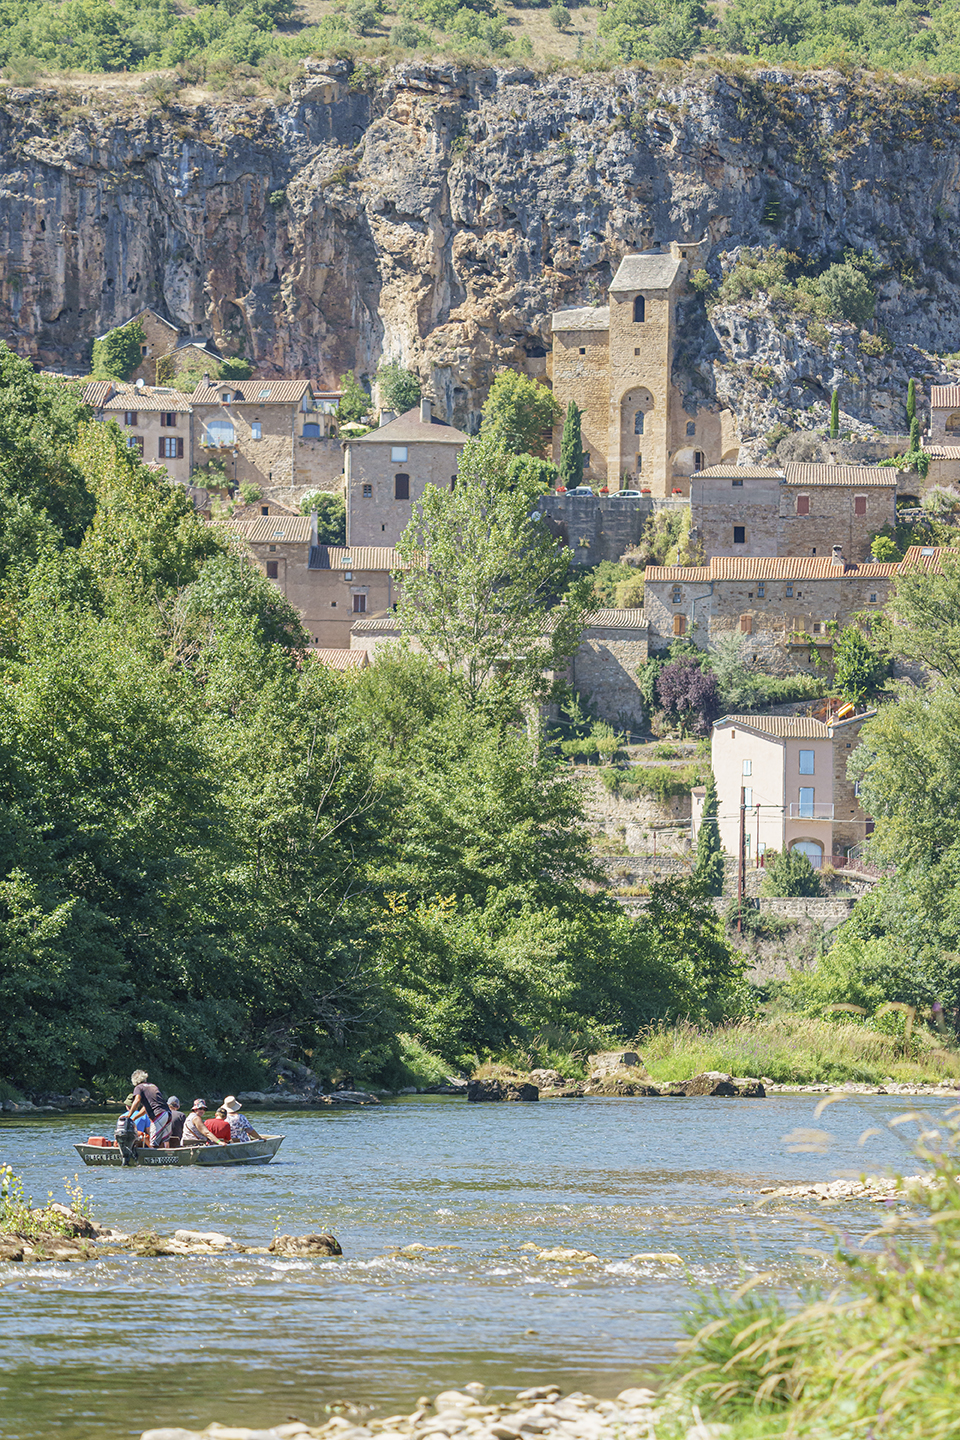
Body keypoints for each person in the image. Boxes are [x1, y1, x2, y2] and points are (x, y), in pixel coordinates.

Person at [126, 1070, 172, 1148]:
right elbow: (146, 1108)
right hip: (167, 1113)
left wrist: (129, 1115)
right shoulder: (152, 1086)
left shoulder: (138, 1087)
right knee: (164, 1139)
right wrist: (134, 1118)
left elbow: (137, 1100)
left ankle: (152, 1158)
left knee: (153, 1142)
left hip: (158, 1114)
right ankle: (168, 1156)